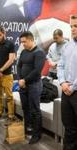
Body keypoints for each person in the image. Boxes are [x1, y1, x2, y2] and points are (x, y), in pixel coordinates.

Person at [17, 31, 45, 144]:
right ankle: (27, 128)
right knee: (25, 108)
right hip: (23, 85)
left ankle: (37, 134)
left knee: (35, 110)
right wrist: (19, 78)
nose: (22, 44)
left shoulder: (39, 53)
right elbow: (19, 66)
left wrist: (24, 80)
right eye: (21, 42)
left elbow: (37, 71)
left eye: (24, 41)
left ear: (31, 40)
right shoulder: (23, 52)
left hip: (34, 85)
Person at [57, 15, 77, 150]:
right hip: (66, 91)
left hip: (75, 91)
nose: (73, 29)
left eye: (76, 26)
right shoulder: (68, 45)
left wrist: (73, 86)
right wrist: (62, 82)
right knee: (68, 126)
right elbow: (60, 66)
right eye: (71, 26)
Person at [0, 25, 15, 122]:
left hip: (7, 75)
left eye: (0, 35)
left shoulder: (10, 44)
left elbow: (11, 59)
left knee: (9, 96)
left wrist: (1, 70)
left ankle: (11, 115)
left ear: (4, 33)